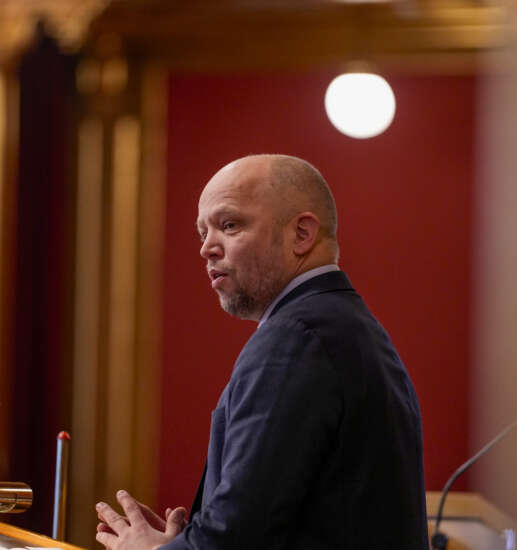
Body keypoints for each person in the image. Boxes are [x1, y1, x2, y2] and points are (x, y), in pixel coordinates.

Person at [95, 155, 428, 550]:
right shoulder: (344, 326)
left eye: (229, 225)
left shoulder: (297, 337)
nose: (206, 248)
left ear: (301, 234)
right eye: (202, 232)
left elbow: (236, 538)